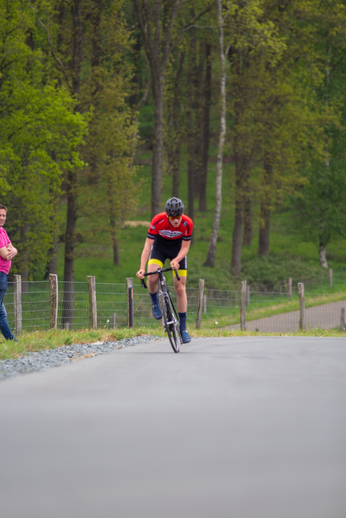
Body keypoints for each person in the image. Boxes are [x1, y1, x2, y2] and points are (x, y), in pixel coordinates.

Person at [136, 197, 193, 344]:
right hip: (160, 247)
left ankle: (183, 328)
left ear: (182, 214)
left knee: (180, 288)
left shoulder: (187, 223)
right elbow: (147, 246)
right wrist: (142, 268)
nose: (176, 220)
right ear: (167, 215)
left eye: (178, 216)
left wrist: (176, 260)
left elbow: (185, 247)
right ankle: (155, 302)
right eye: (173, 217)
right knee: (152, 277)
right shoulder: (157, 220)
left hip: (178, 250)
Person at [0, 204, 18, 341]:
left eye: (4, 215)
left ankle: (11, 340)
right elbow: (6, 254)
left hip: (3, 275)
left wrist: (14, 250)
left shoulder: (3, 232)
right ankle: (11, 340)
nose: (2, 218)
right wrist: (11, 251)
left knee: (1, 311)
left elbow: (13, 249)